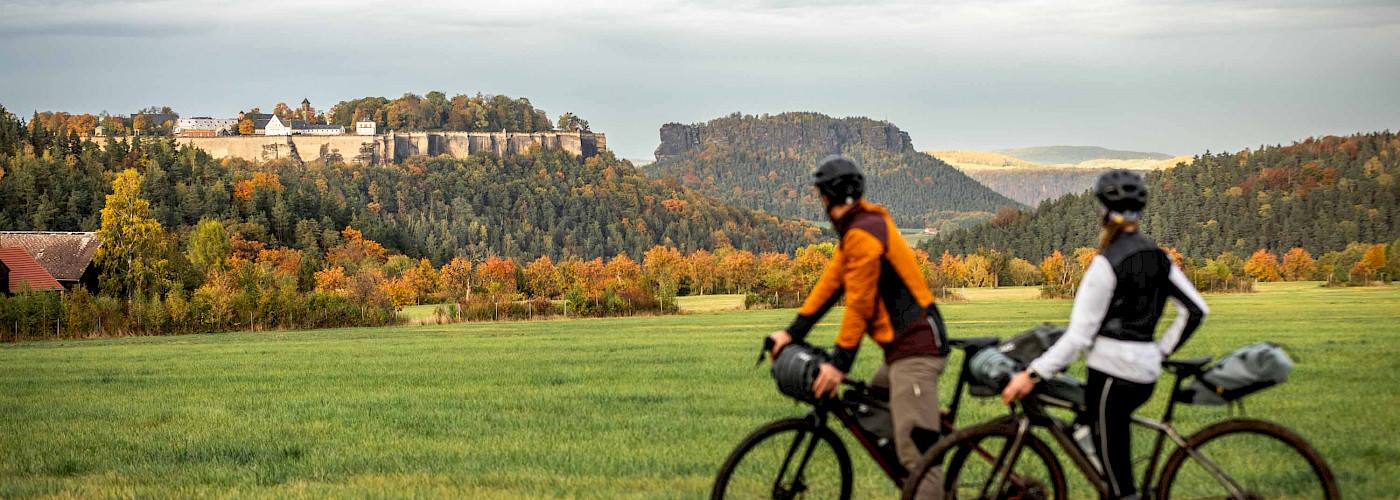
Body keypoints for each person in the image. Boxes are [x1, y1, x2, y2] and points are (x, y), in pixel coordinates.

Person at [1001, 169, 1209, 500]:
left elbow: (1079, 337)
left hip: (1112, 377)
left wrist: (1032, 374)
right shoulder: (1160, 257)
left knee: (1117, 487)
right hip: (1144, 376)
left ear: (1103, 211)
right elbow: (1196, 311)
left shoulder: (1106, 264)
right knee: (1101, 439)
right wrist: (1159, 351)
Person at [768, 155, 950, 489]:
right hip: (902, 351)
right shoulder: (859, 229)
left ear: (826, 198)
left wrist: (838, 364)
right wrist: (791, 333)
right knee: (865, 407)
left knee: (919, 459)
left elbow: (859, 305)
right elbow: (829, 285)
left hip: (917, 352)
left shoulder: (864, 233)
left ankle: (924, 483)